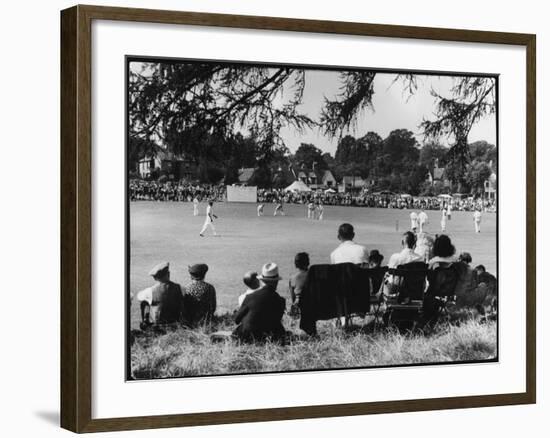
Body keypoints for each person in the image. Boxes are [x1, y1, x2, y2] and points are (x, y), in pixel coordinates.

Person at [233, 263, 286, 343]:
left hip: (245, 338)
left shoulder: (250, 297)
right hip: (267, 338)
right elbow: (276, 321)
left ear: (262, 280)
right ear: (276, 282)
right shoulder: (280, 301)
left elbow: (236, 320)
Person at [135, 262, 185, 328]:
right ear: (169, 274)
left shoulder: (150, 291)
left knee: (145, 302)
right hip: (175, 324)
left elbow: (139, 297)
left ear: (155, 278)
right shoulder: (181, 288)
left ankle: (145, 323)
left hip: (158, 327)